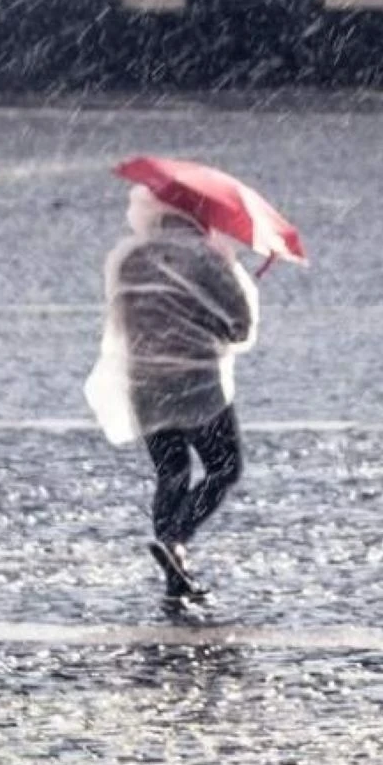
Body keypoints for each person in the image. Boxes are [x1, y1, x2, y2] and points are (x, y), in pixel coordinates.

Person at [85, 186, 260, 601]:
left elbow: (123, 319)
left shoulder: (129, 259)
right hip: (199, 385)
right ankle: (177, 538)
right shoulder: (208, 257)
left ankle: (171, 555)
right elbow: (240, 325)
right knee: (224, 467)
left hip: (144, 383)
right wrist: (229, 277)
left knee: (172, 470)